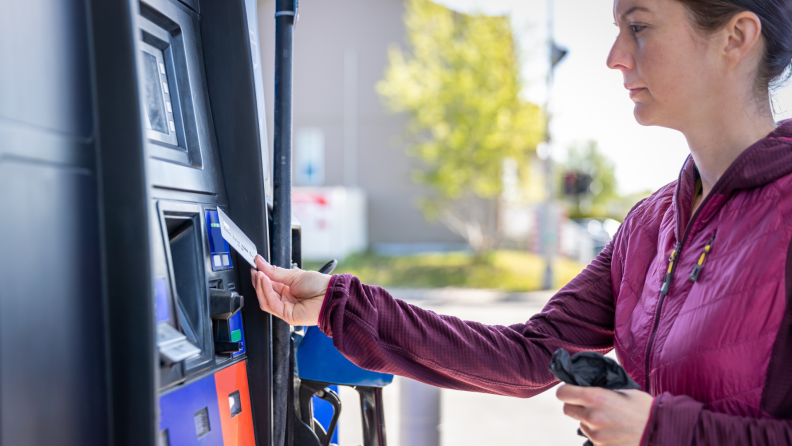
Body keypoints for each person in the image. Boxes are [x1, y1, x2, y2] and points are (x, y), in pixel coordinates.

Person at [251, 0, 792, 444]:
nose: (614, 57)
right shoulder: (650, 226)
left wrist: (658, 430)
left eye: (639, 26)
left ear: (736, 37)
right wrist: (339, 304)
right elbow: (529, 355)